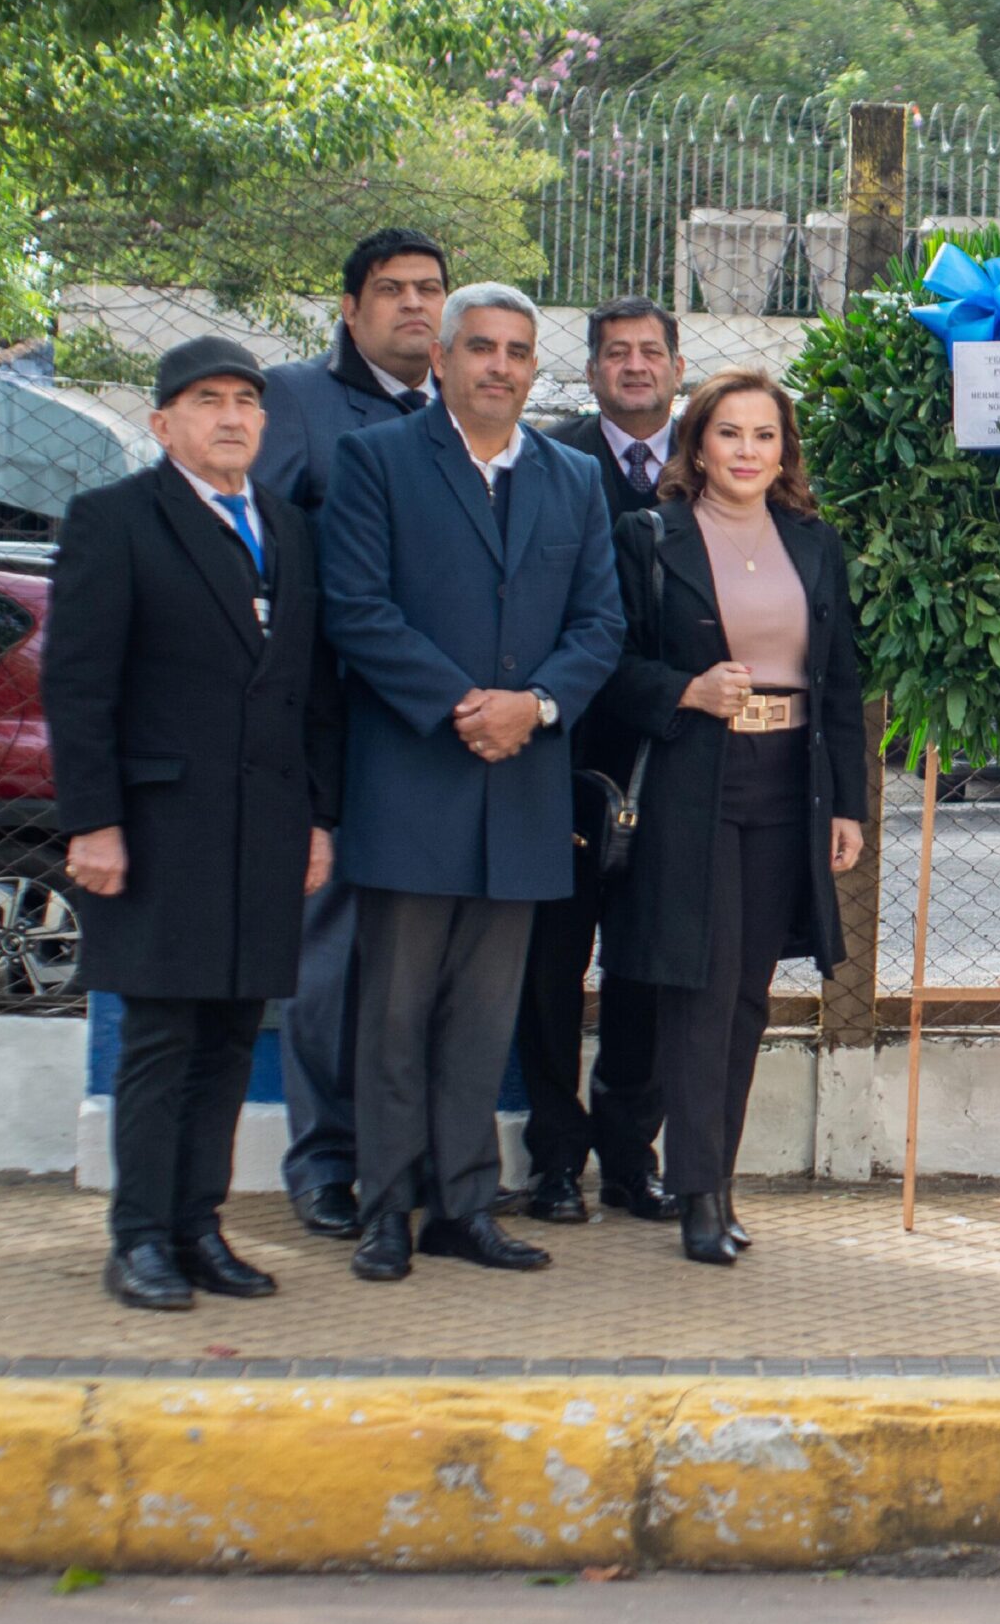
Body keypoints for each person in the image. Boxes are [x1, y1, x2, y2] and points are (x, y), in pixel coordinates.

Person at [318, 282, 624, 1281]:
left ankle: (462, 1208)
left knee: (481, 1020)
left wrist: (530, 708)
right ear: (443, 359)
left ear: (538, 369)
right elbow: (356, 609)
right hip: (413, 778)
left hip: (522, 793)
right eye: (481, 347)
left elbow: (600, 627)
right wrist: (464, 705)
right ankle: (385, 1207)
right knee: (394, 1012)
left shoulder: (574, 480)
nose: (500, 364)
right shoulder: (376, 461)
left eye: (518, 351)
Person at [45, 338, 342, 1311]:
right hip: (159, 827)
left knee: (227, 1037)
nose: (231, 416)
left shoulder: (291, 532)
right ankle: (138, 1239)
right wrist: (93, 821)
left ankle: (198, 1226)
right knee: (163, 1037)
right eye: (207, 399)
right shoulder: (115, 520)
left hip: (264, 827)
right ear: (162, 420)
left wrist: (317, 819)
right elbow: (78, 686)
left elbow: (311, 694)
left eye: (247, 400)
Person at [593, 369, 867, 1265]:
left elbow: (842, 684)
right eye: (729, 434)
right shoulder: (649, 537)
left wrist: (851, 806)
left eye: (765, 436)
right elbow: (610, 664)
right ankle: (697, 1193)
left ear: (784, 449)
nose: (748, 452)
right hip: (691, 779)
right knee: (701, 989)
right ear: (697, 445)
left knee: (750, 994)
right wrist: (685, 690)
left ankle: (719, 1179)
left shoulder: (815, 543)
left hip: (790, 783)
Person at [257, 227, 448, 1243]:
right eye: (390, 291)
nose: (412, 306)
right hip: (332, 728)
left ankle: (403, 1159)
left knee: (417, 967)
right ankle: (324, 1162)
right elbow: (268, 553)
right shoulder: (297, 400)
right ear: (350, 308)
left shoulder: (463, 412)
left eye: (428, 290)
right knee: (330, 959)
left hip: (436, 736)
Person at [513, 296, 688, 1226]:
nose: (633, 366)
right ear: (588, 372)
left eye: (649, 352)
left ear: (676, 365)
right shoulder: (550, 461)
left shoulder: (712, 465)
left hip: (668, 762)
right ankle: (552, 1162)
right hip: (562, 759)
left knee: (645, 973)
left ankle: (631, 1161)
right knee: (548, 970)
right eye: (615, 353)